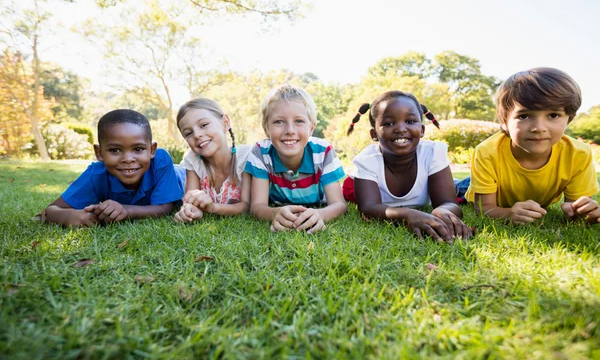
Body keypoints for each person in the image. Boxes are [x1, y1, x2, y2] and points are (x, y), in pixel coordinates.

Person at [466, 67, 600, 225]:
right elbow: (483, 208)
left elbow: (575, 210)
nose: (539, 128)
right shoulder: (487, 152)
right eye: (524, 116)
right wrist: (508, 214)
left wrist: (580, 212)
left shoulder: (578, 154)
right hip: (480, 187)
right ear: (504, 122)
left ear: (568, 118)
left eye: (553, 115)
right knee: (457, 188)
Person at [346, 91, 473, 241]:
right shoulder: (367, 160)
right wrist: (408, 214)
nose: (401, 129)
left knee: (465, 186)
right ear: (374, 134)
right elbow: (368, 208)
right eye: (388, 123)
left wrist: (443, 211)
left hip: (440, 182)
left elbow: (449, 203)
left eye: (410, 121)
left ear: (422, 130)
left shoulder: (432, 152)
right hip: (357, 185)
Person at [43, 109, 185, 227]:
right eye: (115, 150)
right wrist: (70, 216)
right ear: (99, 153)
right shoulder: (96, 174)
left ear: (152, 150)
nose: (128, 159)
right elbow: (49, 211)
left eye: (138, 149)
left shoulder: (160, 160)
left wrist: (125, 210)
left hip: (185, 176)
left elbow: (165, 208)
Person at [244, 84, 347, 234]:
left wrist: (320, 214)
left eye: (299, 121)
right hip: (279, 207)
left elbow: (339, 205)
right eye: (279, 121)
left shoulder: (323, 151)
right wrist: (274, 213)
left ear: (311, 127)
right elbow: (257, 207)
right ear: (266, 129)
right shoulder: (261, 152)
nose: (290, 131)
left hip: (317, 204)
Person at [173, 98, 251, 222]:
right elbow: (190, 200)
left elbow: (246, 206)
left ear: (225, 123)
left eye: (204, 125)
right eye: (188, 133)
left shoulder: (246, 158)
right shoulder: (193, 160)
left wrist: (213, 208)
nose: (197, 134)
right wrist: (189, 211)